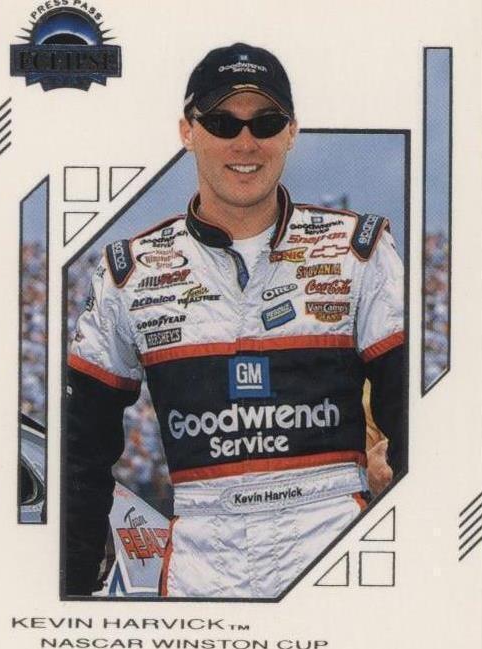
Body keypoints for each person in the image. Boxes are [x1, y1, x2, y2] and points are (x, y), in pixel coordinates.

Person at [65, 42, 405, 598]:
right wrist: (73, 593)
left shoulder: (358, 250)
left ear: (291, 132)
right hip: (200, 576)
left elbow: (416, 425)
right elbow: (79, 454)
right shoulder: (129, 271)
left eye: (265, 122)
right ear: (188, 130)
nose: (245, 143)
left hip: (335, 563)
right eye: (223, 123)